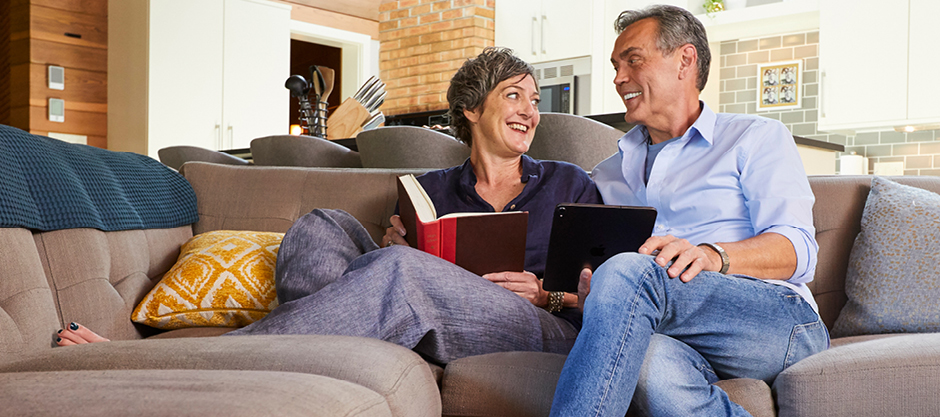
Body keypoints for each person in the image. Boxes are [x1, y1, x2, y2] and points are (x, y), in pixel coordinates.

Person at [57, 48, 603, 367]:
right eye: (515, 95)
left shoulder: (569, 183)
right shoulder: (432, 187)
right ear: (470, 109)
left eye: (534, 100)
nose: (531, 111)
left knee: (402, 274)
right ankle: (324, 365)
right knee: (322, 225)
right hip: (426, 311)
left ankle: (173, 364)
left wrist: (546, 294)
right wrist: (396, 248)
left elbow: (605, 293)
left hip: (535, 326)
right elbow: (393, 263)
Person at [548, 5, 828, 417]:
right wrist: (597, 292)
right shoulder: (608, 173)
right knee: (646, 366)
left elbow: (798, 251)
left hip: (777, 322)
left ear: (685, 60)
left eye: (633, 60)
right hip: (671, 329)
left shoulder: (754, 138)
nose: (618, 77)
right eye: (615, 66)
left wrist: (714, 255)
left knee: (630, 270)